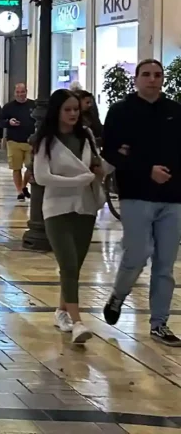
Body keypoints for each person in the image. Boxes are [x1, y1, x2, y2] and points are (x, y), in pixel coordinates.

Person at [102, 59, 181, 347]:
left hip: (173, 198)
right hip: (136, 193)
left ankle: (159, 323)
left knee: (165, 264)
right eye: (146, 75)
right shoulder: (121, 111)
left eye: (157, 75)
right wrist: (146, 169)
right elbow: (112, 152)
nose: (152, 80)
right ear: (135, 79)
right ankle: (117, 296)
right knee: (137, 252)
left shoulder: (174, 111)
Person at [31, 89, 103, 345]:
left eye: (76, 109)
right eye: (68, 109)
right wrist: (77, 180)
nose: (73, 114)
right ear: (57, 111)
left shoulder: (87, 136)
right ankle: (78, 322)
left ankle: (62, 311)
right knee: (68, 264)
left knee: (75, 267)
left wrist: (98, 171)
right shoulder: (46, 141)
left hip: (86, 208)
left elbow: (95, 165)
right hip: (57, 209)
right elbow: (41, 177)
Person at [0, 83, 37, 201]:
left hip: (30, 141)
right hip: (14, 140)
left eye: (22, 92)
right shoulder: (8, 107)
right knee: (16, 167)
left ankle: (24, 186)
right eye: (18, 92)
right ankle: (20, 191)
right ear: (14, 93)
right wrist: (8, 122)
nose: (20, 94)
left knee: (31, 167)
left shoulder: (33, 105)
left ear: (26, 91)